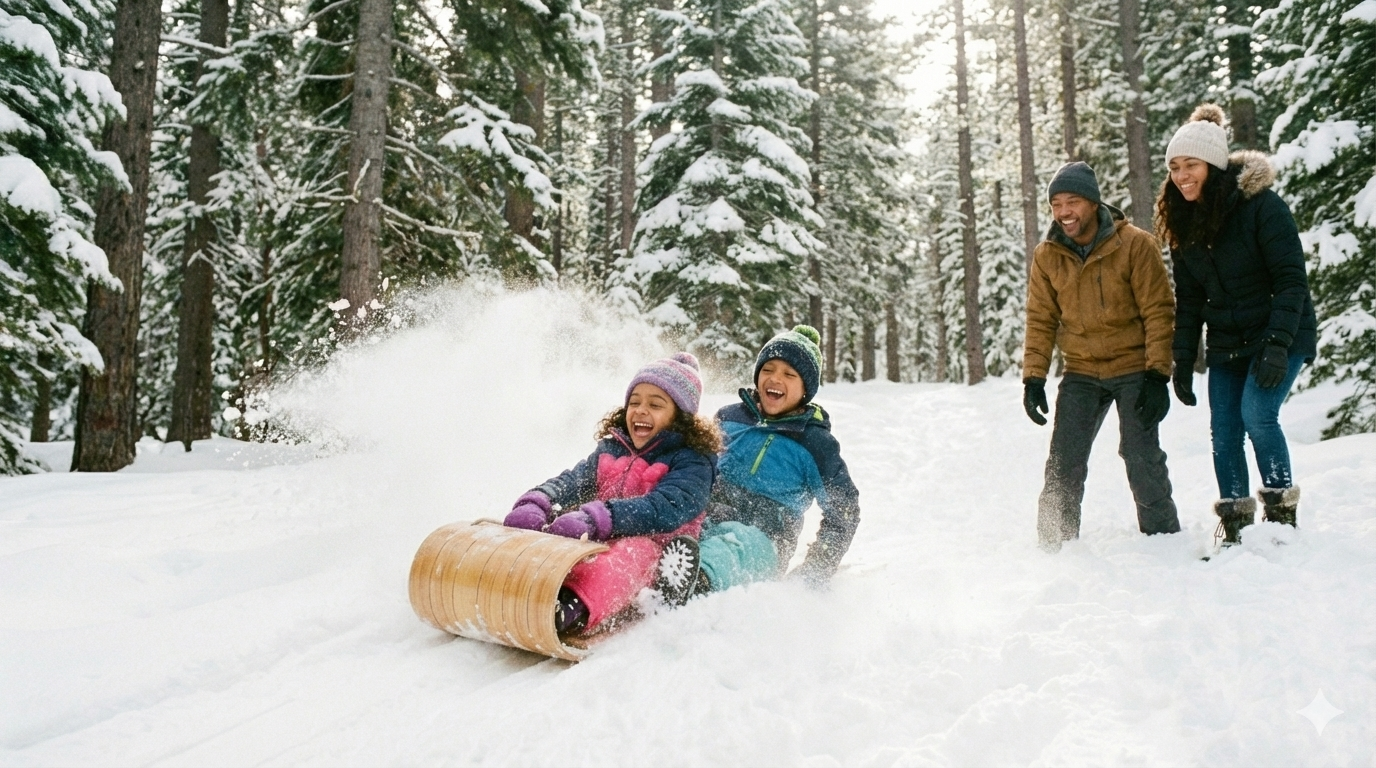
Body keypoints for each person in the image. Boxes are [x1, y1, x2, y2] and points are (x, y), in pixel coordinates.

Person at [1156, 104, 1317, 547]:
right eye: (1174, 167)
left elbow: (1291, 280)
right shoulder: (1182, 221)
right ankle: (1236, 526)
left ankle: (1282, 519)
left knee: (1258, 414)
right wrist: (1182, 361)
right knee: (1224, 429)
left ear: (1213, 165)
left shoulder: (1261, 206)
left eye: (1190, 165)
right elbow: (1189, 299)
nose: (1181, 176)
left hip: (1282, 330)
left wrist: (1278, 345)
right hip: (1229, 341)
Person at [1023, 161, 1181, 552]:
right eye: (1056, 204)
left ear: (1093, 203)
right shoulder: (1048, 255)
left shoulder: (1135, 245)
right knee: (1064, 461)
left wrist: (1159, 375)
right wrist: (1034, 377)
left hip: (1134, 367)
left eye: (1072, 202)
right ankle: (1052, 548)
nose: (1064, 212)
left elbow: (1159, 311)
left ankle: (1163, 541)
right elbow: (1041, 318)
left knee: (1141, 456)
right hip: (1081, 370)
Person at [504, 353, 720, 634]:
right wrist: (539, 501)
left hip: (658, 547)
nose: (641, 410)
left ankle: (571, 605)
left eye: (655, 404)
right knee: (557, 531)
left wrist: (601, 517)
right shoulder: (612, 448)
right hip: (601, 531)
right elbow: (574, 479)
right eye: (635, 402)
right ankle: (513, 585)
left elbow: (665, 508)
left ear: (680, 417)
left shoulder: (693, 460)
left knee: (630, 554)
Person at [693, 325, 861, 592]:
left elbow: (844, 508)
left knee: (734, 544)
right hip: (709, 518)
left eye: (789, 374)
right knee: (677, 527)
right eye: (768, 369)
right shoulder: (729, 418)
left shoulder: (815, 443)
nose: (774, 378)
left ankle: (695, 581)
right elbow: (695, 467)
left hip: (766, 542)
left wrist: (817, 567)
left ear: (806, 388)